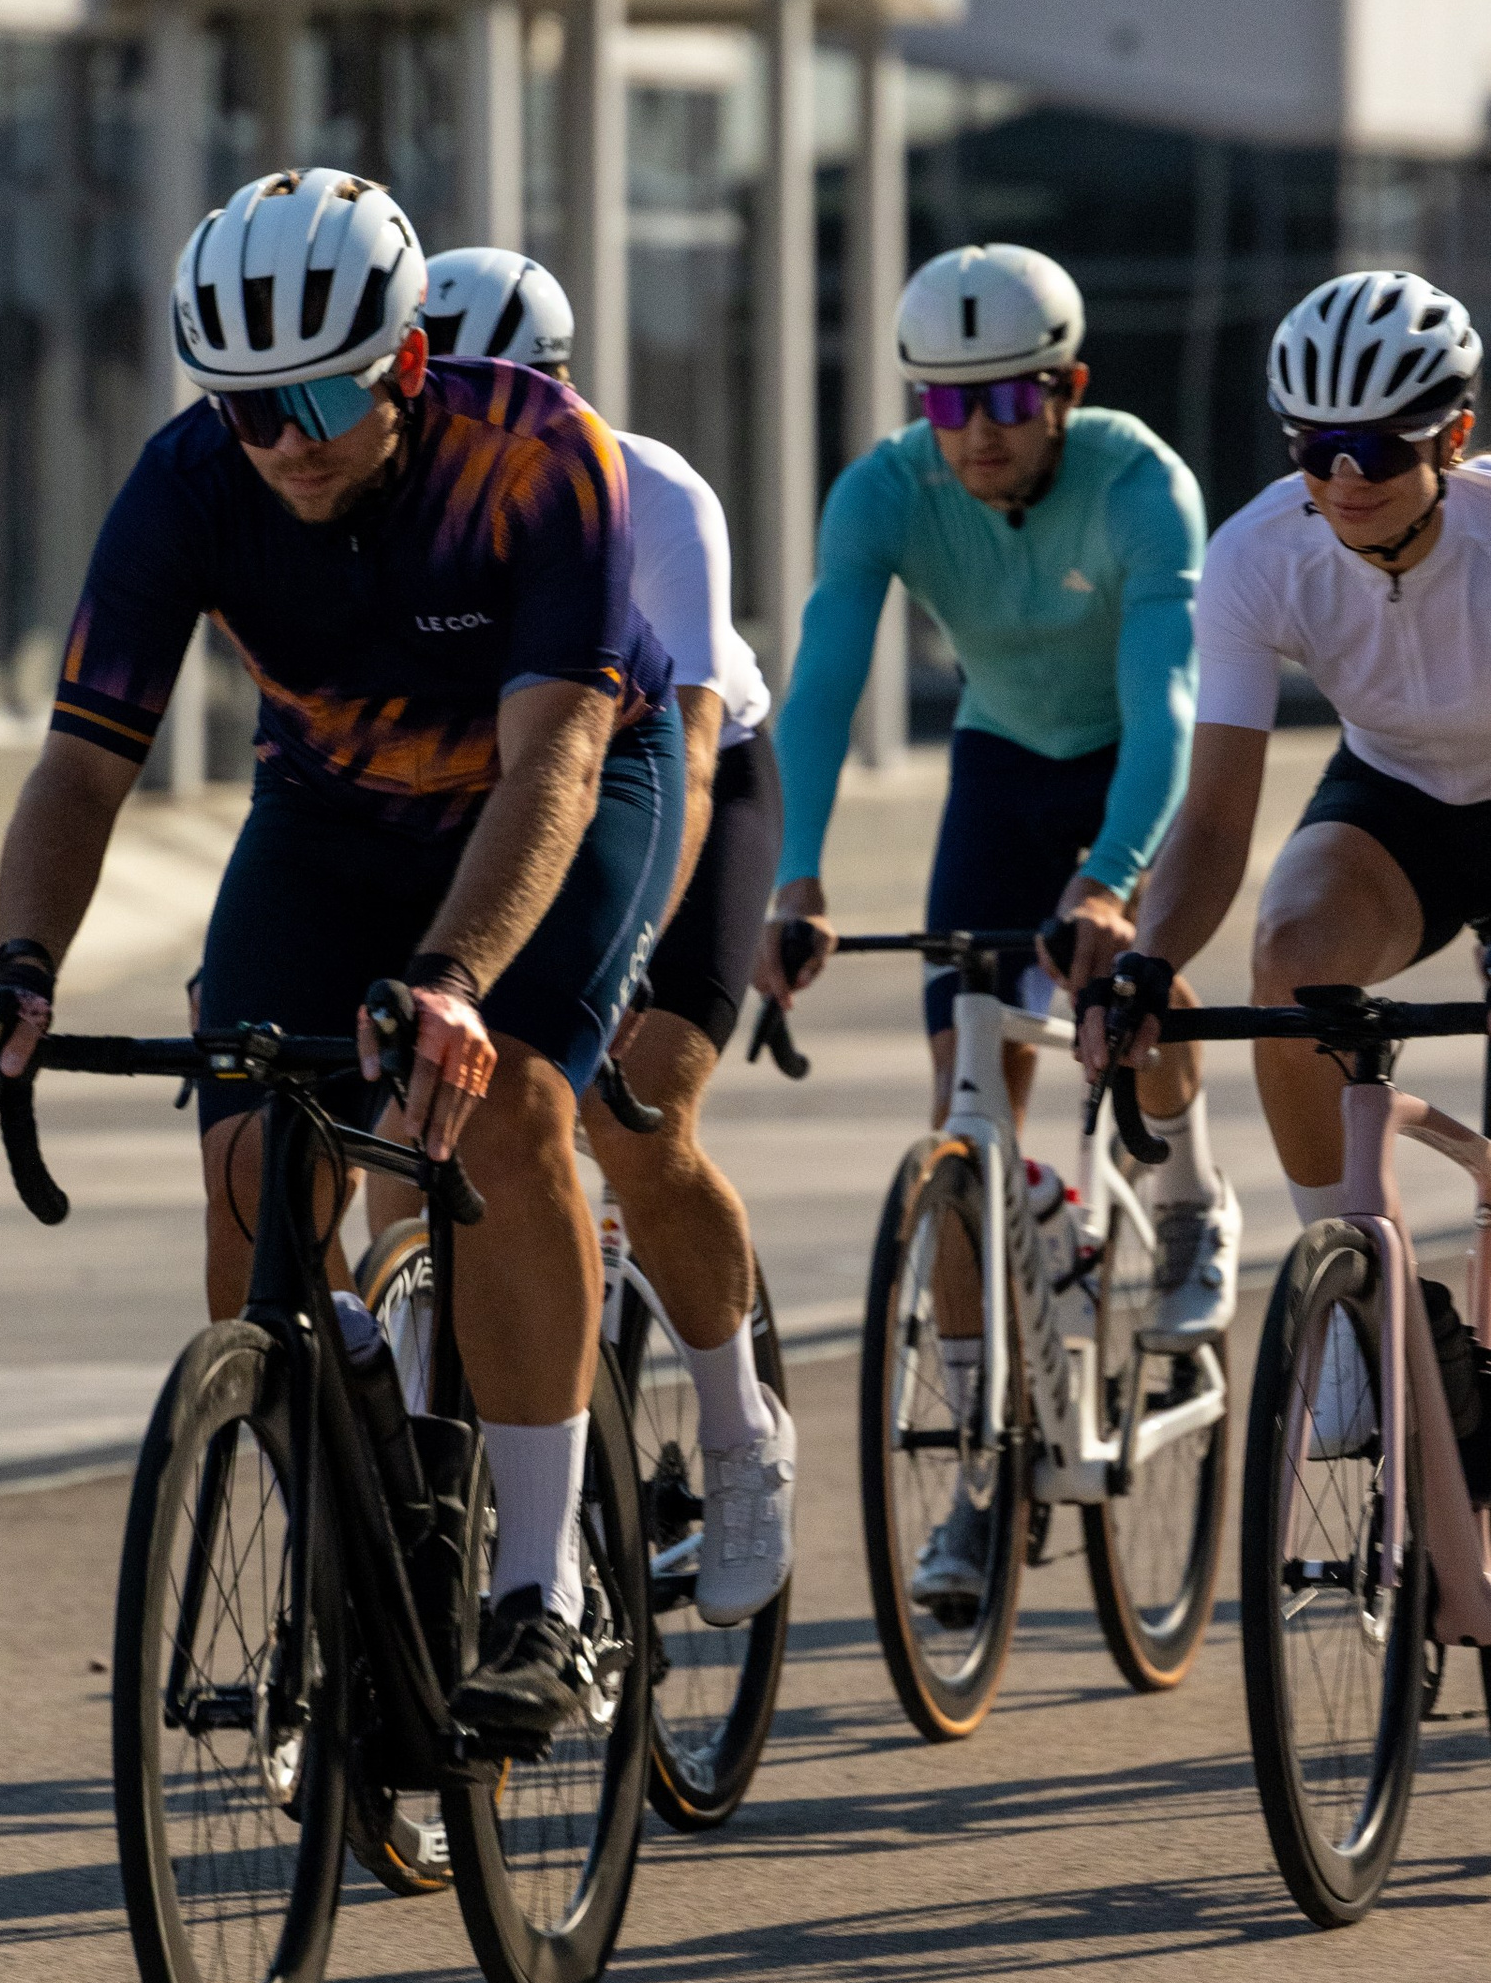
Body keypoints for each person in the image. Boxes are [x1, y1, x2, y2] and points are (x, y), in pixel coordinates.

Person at [0, 166, 687, 1753]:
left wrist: (458, 982)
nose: (277, 441)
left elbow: (551, 763)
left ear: (408, 365)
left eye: (316, 400)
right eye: (244, 404)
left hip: (558, 789)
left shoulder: (544, 461)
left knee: (518, 1114)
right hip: (333, 810)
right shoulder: (190, 481)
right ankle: (357, 1494)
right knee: (249, 1178)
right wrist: (19, 970)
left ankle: (544, 1592)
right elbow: (83, 766)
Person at [754, 239, 1227, 1616]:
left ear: (1065, 389)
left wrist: (1112, 879)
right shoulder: (885, 491)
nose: (974, 435)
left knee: (1135, 992)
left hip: (1127, 769)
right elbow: (826, 687)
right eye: (944, 404)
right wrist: (796, 874)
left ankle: (1191, 1196)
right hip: (1000, 770)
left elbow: (1173, 708)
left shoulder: (1144, 485)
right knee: (967, 1123)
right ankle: (978, 1478)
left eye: (1006, 403)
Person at [421, 245, 792, 1625]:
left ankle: (740, 1427)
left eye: (511, 394)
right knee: (416, 1130)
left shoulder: (655, 495)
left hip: (683, 782)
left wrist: (617, 967)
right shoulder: (387, 503)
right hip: (502, 798)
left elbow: (686, 760)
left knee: (637, 1119)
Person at [1085, 268, 1490, 1328]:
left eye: (1382, 449)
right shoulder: (1257, 555)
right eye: (1316, 447)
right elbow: (1217, 818)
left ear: (1452, 441)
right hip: (1393, 798)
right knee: (1293, 955)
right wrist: (1146, 962)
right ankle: (1357, 1307)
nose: (1346, 477)